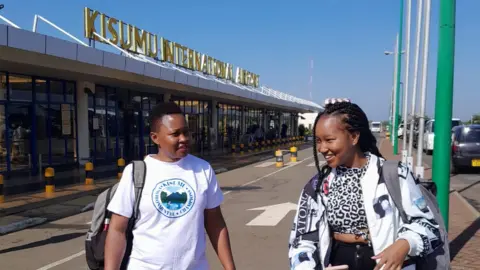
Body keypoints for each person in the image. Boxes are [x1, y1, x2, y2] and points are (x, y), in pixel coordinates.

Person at [288, 98, 441, 270]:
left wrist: (405, 244)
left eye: (329, 140)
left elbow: (429, 226)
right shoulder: (317, 185)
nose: (322, 148)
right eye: (318, 140)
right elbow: (301, 240)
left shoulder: (394, 175)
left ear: (353, 137)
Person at [104, 102, 236, 270]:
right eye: (175, 134)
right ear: (155, 138)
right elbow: (117, 230)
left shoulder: (202, 169)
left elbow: (215, 223)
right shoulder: (136, 173)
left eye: (186, 132)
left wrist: (230, 267)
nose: (184, 139)